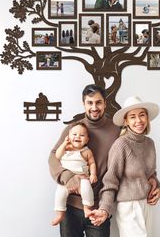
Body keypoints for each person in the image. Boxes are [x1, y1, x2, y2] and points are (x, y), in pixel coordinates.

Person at [48, 84, 121, 237]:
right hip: (70, 205)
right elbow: (53, 157)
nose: (94, 107)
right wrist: (68, 177)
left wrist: (151, 177)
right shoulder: (73, 129)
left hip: (99, 207)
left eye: (98, 102)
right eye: (90, 103)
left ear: (105, 103)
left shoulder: (117, 130)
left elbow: (130, 157)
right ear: (84, 104)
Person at [88, 96, 160, 237]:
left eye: (142, 115)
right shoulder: (122, 145)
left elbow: (150, 174)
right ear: (126, 121)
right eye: (133, 117)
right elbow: (110, 181)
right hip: (129, 207)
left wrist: (158, 188)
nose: (138, 121)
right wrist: (104, 209)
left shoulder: (149, 143)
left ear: (147, 118)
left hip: (146, 205)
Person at [51, 122, 97, 226]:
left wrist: (93, 174)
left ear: (87, 139)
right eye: (74, 134)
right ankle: (60, 213)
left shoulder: (87, 151)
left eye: (82, 135)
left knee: (87, 190)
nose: (78, 137)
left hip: (83, 178)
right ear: (68, 136)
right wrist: (64, 144)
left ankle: (87, 208)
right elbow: (57, 156)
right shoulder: (66, 148)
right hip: (66, 180)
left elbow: (92, 163)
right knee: (60, 194)